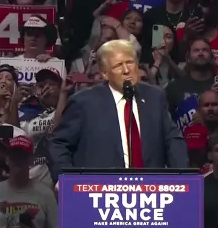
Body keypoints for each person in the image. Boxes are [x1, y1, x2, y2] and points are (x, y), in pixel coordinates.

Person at [49, 39, 188, 188]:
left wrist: (182, 179)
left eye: (130, 63)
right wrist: (66, 178)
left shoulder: (154, 97)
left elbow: (172, 140)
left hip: (150, 190)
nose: (126, 70)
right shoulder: (84, 102)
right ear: (104, 73)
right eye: (118, 65)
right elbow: (58, 143)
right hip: (99, 192)